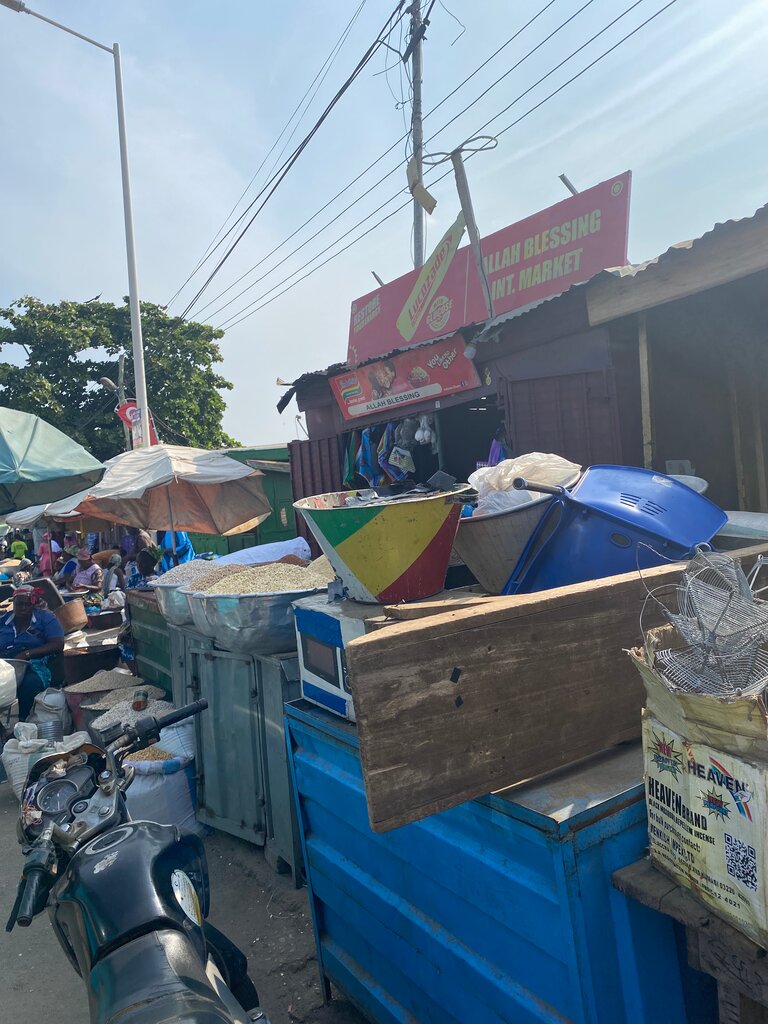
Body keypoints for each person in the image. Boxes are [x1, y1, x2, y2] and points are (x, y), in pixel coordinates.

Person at [0, 586, 65, 720]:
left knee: (28, 684)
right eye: (19, 604)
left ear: (33, 604)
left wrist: (27, 654)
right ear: (14, 603)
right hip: (6, 663)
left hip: (35, 663)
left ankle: (24, 721)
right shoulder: (4, 621)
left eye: (27, 604)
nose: (23, 608)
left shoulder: (46, 618)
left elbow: (58, 644)